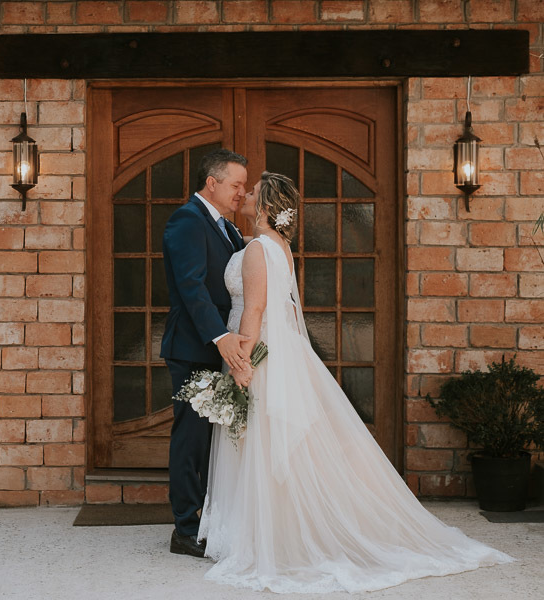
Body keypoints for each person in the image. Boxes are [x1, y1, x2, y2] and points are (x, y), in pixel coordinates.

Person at [198, 171, 513, 593]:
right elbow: (287, 311)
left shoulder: (258, 248)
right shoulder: (280, 247)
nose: (247, 196)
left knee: (262, 442)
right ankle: (280, 530)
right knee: (276, 444)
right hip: (279, 350)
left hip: (257, 353)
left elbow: (253, 311)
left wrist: (243, 362)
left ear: (269, 206)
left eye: (253, 192)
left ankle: (271, 536)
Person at [161, 149, 252, 558]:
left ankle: (210, 520)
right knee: (191, 440)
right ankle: (184, 529)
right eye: (236, 185)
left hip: (220, 348)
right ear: (212, 183)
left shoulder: (227, 228)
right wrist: (221, 337)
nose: (242, 192)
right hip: (194, 348)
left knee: (214, 442)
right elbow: (191, 286)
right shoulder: (187, 220)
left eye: (245, 187)